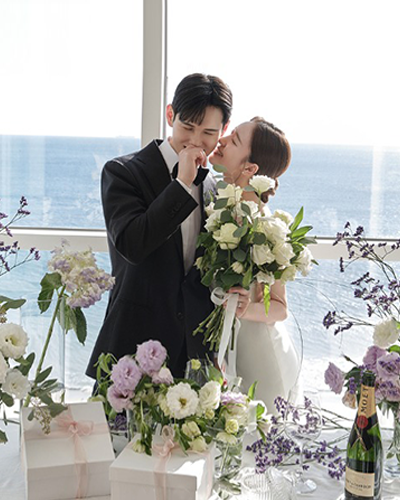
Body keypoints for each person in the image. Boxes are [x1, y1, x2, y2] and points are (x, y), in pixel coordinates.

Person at [86, 73, 232, 379]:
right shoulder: (123, 172)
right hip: (133, 349)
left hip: (193, 358)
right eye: (187, 127)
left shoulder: (215, 189)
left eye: (208, 132)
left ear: (223, 130)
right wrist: (182, 185)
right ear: (170, 115)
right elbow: (133, 245)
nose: (195, 141)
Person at [209, 117, 300, 414]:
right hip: (226, 356)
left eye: (233, 139)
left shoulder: (265, 227)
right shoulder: (219, 202)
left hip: (261, 363)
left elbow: (280, 308)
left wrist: (242, 309)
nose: (221, 140)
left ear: (250, 169)